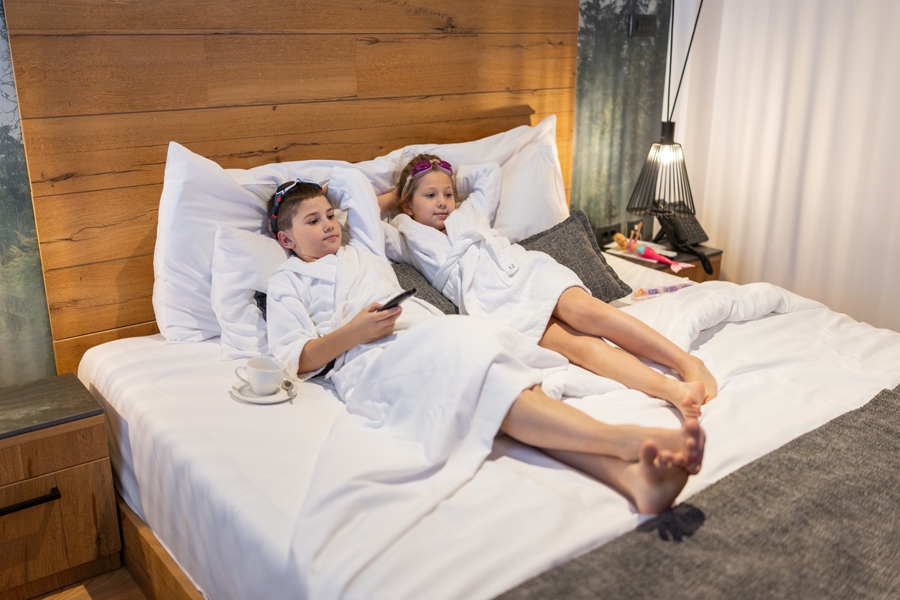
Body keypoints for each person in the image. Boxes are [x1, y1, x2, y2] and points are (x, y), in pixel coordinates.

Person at [265, 166, 705, 514]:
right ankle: (624, 440)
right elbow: (294, 359)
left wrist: (319, 189)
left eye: (331, 215)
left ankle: (633, 481)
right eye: (313, 221)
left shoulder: (362, 248)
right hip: (368, 359)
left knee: (494, 377)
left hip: (425, 331)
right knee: (491, 383)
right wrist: (352, 333)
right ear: (284, 238)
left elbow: (350, 183)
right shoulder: (288, 282)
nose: (329, 225)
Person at [378, 155, 718, 419]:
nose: (442, 202)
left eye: (447, 193)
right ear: (408, 205)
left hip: (526, 271)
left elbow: (488, 173)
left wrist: (439, 171)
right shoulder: (404, 235)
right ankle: (667, 390)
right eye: (430, 195)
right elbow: (361, 217)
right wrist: (397, 193)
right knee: (579, 348)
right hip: (493, 303)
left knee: (590, 312)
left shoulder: (469, 213)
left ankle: (687, 363)